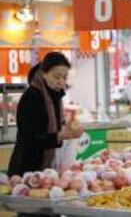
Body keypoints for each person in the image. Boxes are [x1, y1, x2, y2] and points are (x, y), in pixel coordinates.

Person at [8, 52, 84, 191]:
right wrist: (60, 135)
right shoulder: (31, 98)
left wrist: (67, 128)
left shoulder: (55, 96)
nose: (61, 81)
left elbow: (54, 127)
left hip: (48, 171)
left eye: (64, 77)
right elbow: (30, 138)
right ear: (43, 73)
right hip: (27, 171)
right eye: (56, 76)